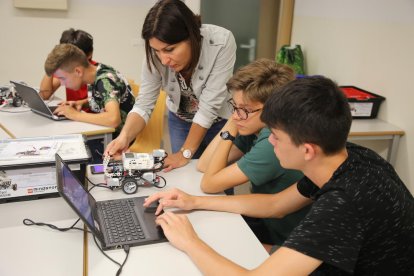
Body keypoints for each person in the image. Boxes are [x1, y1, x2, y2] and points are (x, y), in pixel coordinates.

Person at [144, 76, 414, 275]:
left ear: (307, 149)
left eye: (275, 136)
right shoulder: (350, 157)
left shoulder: (345, 203)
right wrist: (194, 201)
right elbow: (276, 205)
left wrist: (191, 242)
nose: (270, 142)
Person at [104, 0, 236, 171]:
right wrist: (125, 137)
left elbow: (209, 108)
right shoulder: (154, 55)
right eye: (157, 51)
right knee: (184, 174)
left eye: (169, 49)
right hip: (181, 120)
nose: (164, 60)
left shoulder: (221, 42)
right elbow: (144, 103)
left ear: (191, 35)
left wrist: (185, 153)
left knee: (217, 178)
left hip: (219, 120)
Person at [197, 58, 309, 252]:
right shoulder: (254, 127)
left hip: (290, 243)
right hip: (269, 225)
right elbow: (204, 165)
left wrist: (235, 120)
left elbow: (209, 183)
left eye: (246, 110)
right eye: (235, 106)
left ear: (274, 108)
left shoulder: (272, 142)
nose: (237, 115)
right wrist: (236, 118)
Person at [44, 43, 135, 161]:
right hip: (110, 136)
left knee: (67, 154)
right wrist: (81, 103)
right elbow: (105, 98)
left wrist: (75, 114)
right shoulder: (96, 71)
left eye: (63, 78)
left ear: (78, 71)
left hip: (119, 144)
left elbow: (113, 119)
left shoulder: (104, 80)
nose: (61, 83)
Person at [39, 28, 97, 111]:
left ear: (89, 54)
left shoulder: (99, 74)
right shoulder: (65, 69)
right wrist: (54, 62)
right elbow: (44, 95)